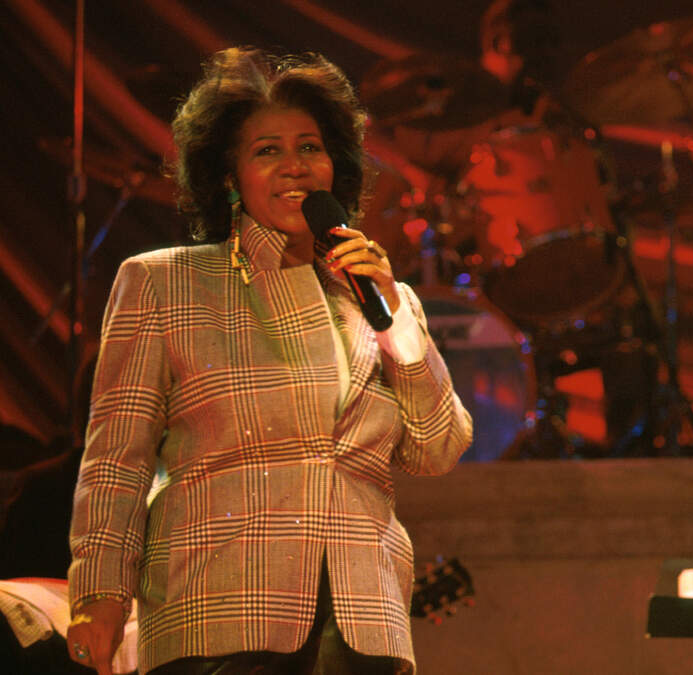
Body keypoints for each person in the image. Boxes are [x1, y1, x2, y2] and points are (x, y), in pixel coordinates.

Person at [65, 48, 472, 675]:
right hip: (217, 608)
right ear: (228, 176)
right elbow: (117, 458)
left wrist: (396, 317)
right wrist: (99, 594)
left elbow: (437, 449)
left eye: (310, 147)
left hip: (363, 622)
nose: (295, 165)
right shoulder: (163, 282)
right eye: (267, 151)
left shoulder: (383, 300)